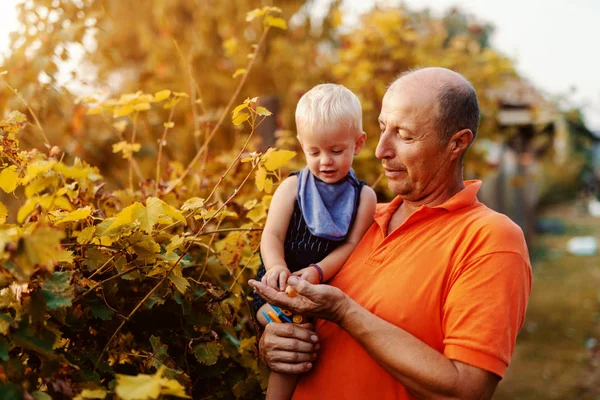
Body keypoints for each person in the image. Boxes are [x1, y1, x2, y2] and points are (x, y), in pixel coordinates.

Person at [249, 67, 532, 400]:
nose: (381, 149)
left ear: (457, 143)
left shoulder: (490, 240)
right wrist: (276, 345)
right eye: (383, 128)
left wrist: (344, 312)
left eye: (405, 135)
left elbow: (466, 389)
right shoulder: (359, 219)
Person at [253, 83, 377, 399]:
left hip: (322, 286)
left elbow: (350, 246)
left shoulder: (363, 197)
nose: (325, 161)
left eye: (337, 151)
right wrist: (277, 266)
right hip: (278, 287)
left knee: (316, 345)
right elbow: (272, 235)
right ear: (302, 145)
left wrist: (318, 272)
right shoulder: (292, 188)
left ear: (358, 143)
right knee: (292, 329)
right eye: (314, 151)